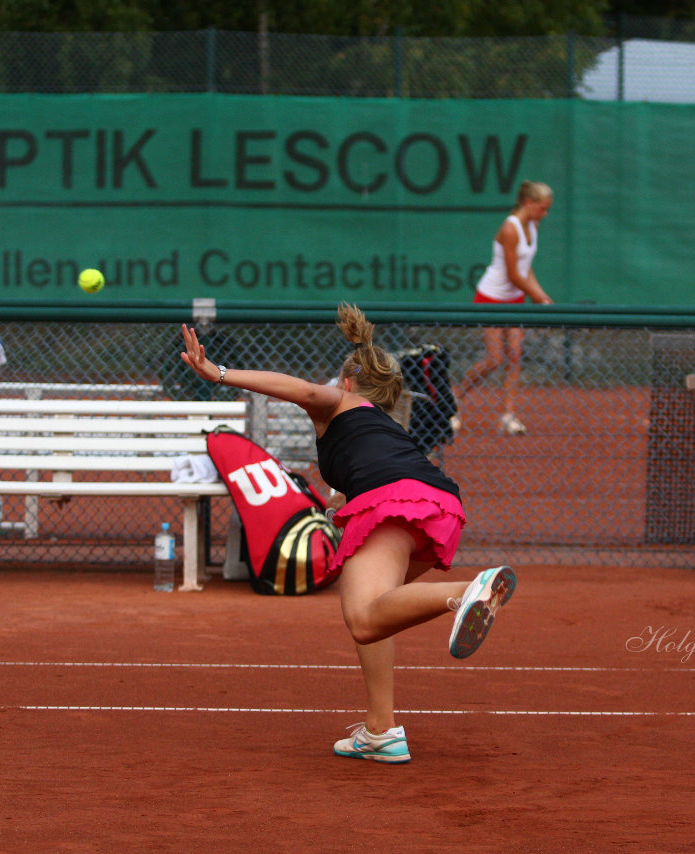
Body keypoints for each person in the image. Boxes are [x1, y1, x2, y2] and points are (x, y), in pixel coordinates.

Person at [180, 305, 516, 764]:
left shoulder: (340, 401)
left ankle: (468, 591)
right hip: (438, 503)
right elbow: (367, 473)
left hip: (394, 504)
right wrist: (336, 502)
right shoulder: (380, 424)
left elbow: (296, 389)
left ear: (349, 382)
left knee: (362, 617)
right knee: (378, 612)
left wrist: (216, 372)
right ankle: (381, 730)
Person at [453, 180, 554, 435]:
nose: (545, 214)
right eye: (542, 208)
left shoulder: (533, 225)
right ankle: (451, 401)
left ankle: (508, 416)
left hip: (515, 298)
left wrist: (541, 294)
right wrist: (539, 298)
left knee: (515, 355)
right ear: (528, 203)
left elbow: (525, 267)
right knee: (494, 359)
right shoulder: (510, 229)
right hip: (492, 297)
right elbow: (512, 274)